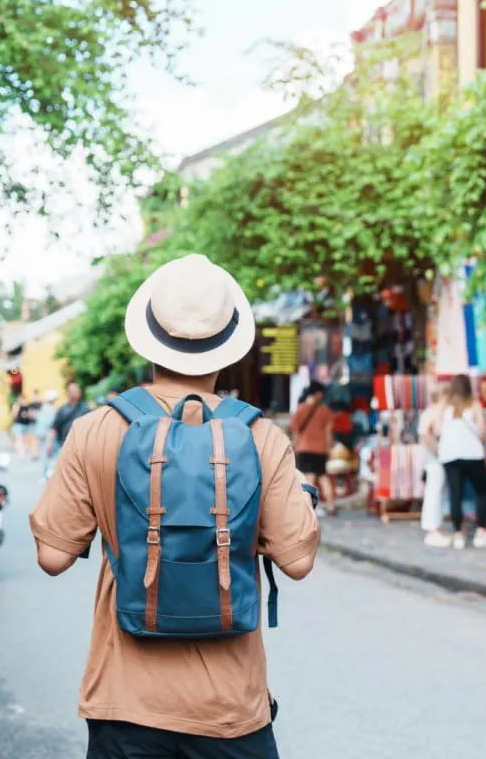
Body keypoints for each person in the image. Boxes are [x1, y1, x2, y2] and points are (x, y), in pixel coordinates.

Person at [30, 253, 320, 759]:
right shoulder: (260, 437)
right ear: (227, 347)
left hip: (124, 707)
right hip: (230, 712)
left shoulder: (96, 430)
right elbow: (297, 561)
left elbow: (53, 557)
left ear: (148, 339)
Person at [439, 374, 486, 550]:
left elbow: (437, 427)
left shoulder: (446, 407)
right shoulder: (474, 404)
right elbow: (482, 430)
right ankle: (481, 531)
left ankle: (459, 534)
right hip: (472, 454)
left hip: (450, 455)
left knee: (455, 494)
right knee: (482, 491)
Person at [289, 380, 336, 516]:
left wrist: (296, 447)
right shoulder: (326, 411)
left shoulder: (300, 410)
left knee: (308, 478)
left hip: (304, 449)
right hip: (320, 449)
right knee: (323, 477)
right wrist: (329, 449)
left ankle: (308, 508)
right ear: (317, 393)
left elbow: (296, 433)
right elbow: (328, 434)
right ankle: (331, 506)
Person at [418, 382, 451, 548]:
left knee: (438, 492)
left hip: (436, 459)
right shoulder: (433, 412)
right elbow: (424, 433)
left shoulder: (437, 412)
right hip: (434, 460)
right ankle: (432, 528)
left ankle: (436, 527)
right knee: (434, 492)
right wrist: (437, 452)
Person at [45, 382, 90, 471]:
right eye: (72, 390)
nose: (75, 392)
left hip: (82, 447)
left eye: (77, 389)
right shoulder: (63, 409)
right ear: (68, 393)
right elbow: (54, 427)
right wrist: (49, 443)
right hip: (65, 445)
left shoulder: (85, 408)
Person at [36, 391, 59, 481]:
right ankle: (49, 473)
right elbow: (52, 425)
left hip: (42, 435)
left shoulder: (43, 409)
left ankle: (45, 473)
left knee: (45, 454)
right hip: (49, 435)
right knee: (53, 455)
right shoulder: (51, 410)